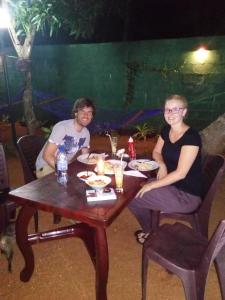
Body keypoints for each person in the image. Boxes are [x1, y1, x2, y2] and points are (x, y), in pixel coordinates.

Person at [128, 94, 202, 244]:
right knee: (133, 186)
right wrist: (162, 164)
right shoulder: (166, 130)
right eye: (167, 110)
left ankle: (150, 232)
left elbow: (181, 173)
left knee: (130, 196)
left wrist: (152, 185)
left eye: (175, 109)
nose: (170, 114)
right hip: (171, 185)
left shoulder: (192, 137)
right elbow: (156, 152)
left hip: (186, 195)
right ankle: (151, 230)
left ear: (184, 112)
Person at [36, 97, 96, 178]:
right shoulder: (62, 127)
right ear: (76, 113)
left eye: (89, 112)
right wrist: (64, 172)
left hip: (65, 167)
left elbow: (85, 156)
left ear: (92, 116)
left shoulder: (86, 133)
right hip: (46, 167)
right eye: (82, 111)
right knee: (70, 186)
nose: (86, 115)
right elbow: (47, 156)